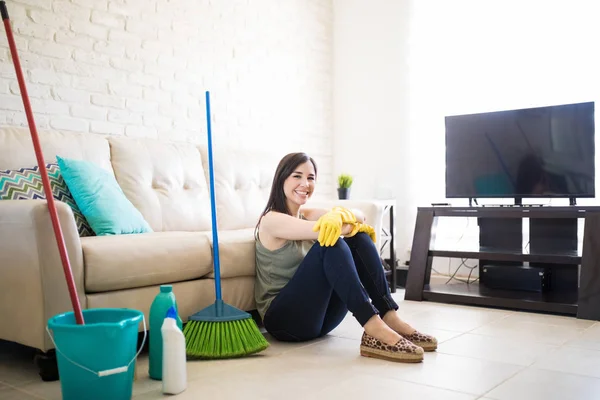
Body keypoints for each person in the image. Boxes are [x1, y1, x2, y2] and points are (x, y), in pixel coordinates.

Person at [254, 152, 437, 363]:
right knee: (330, 242)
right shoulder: (270, 220)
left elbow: (360, 216)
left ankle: (389, 316)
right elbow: (325, 231)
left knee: (357, 237)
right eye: (297, 176)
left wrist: (343, 219)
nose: (305, 183)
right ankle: (373, 327)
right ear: (281, 179)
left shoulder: (308, 213)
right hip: (284, 322)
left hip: (321, 320)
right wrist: (344, 223)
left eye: (311, 177)